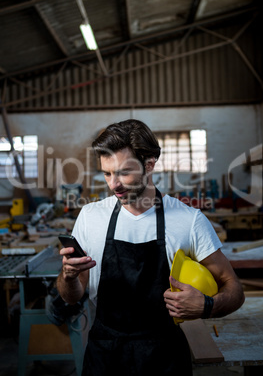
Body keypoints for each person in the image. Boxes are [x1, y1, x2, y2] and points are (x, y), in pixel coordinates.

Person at [56, 119, 245, 376]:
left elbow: (234, 289)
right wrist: (68, 277)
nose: (114, 184)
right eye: (107, 173)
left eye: (124, 172)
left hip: (165, 358)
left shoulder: (188, 220)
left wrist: (207, 306)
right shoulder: (91, 218)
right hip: (105, 356)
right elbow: (72, 296)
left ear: (149, 165)